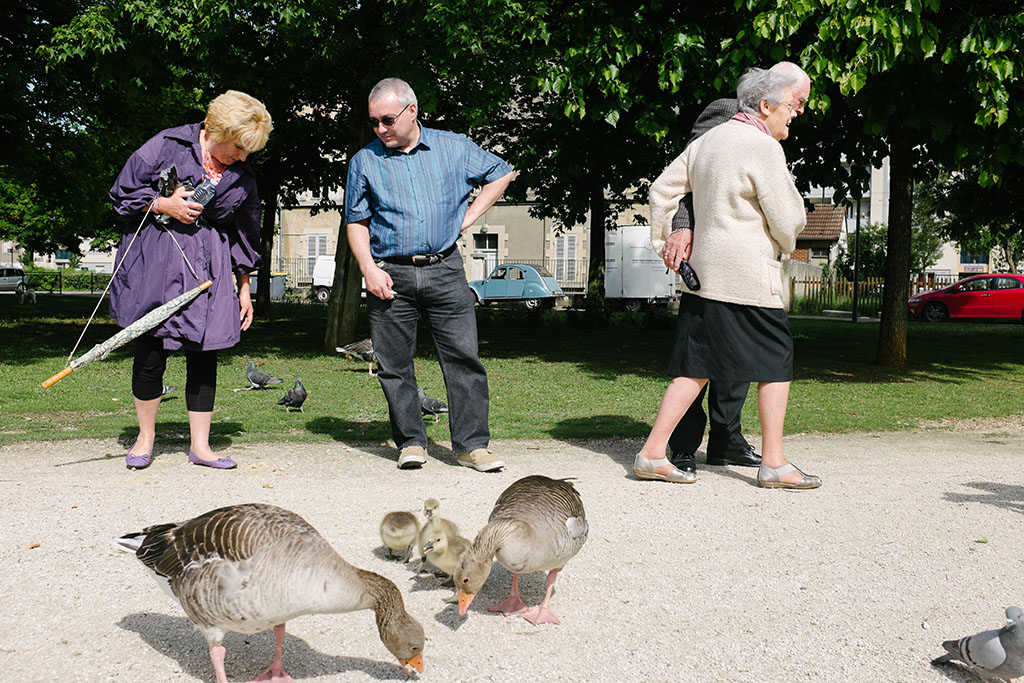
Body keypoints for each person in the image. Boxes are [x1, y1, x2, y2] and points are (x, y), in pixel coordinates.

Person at [636, 66, 821, 489]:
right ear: (766, 105)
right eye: (795, 104)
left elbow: (661, 190)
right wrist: (786, 240)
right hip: (748, 274)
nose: (797, 113)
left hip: (705, 273)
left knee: (697, 364)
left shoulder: (709, 141)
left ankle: (651, 452)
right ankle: (773, 462)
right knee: (777, 360)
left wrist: (667, 240)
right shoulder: (762, 146)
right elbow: (788, 218)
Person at [345, 78, 514, 472]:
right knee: (393, 364)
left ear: (412, 111)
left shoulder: (453, 147)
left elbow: (502, 173)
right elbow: (355, 221)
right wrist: (368, 269)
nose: (380, 129)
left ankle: (473, 446)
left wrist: (470, 216)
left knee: (463, 359)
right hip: (390, 275)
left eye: (387, 119)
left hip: (445, 269)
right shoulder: (364, 161)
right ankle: (410, 443)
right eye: (374, 122)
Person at [110, 90, 272, 471]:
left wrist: (244, 286)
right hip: (157, 261)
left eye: (250, 151)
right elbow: (122, 194)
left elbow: (245, 234)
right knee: (150, 351)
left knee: (205, 353)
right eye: (239, 147)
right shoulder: (166, 145)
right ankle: (145, 438)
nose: (244, 157)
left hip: (210, 269)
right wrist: (162, 203)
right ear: (216, 129)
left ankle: (201, 446)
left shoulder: (243, 176)